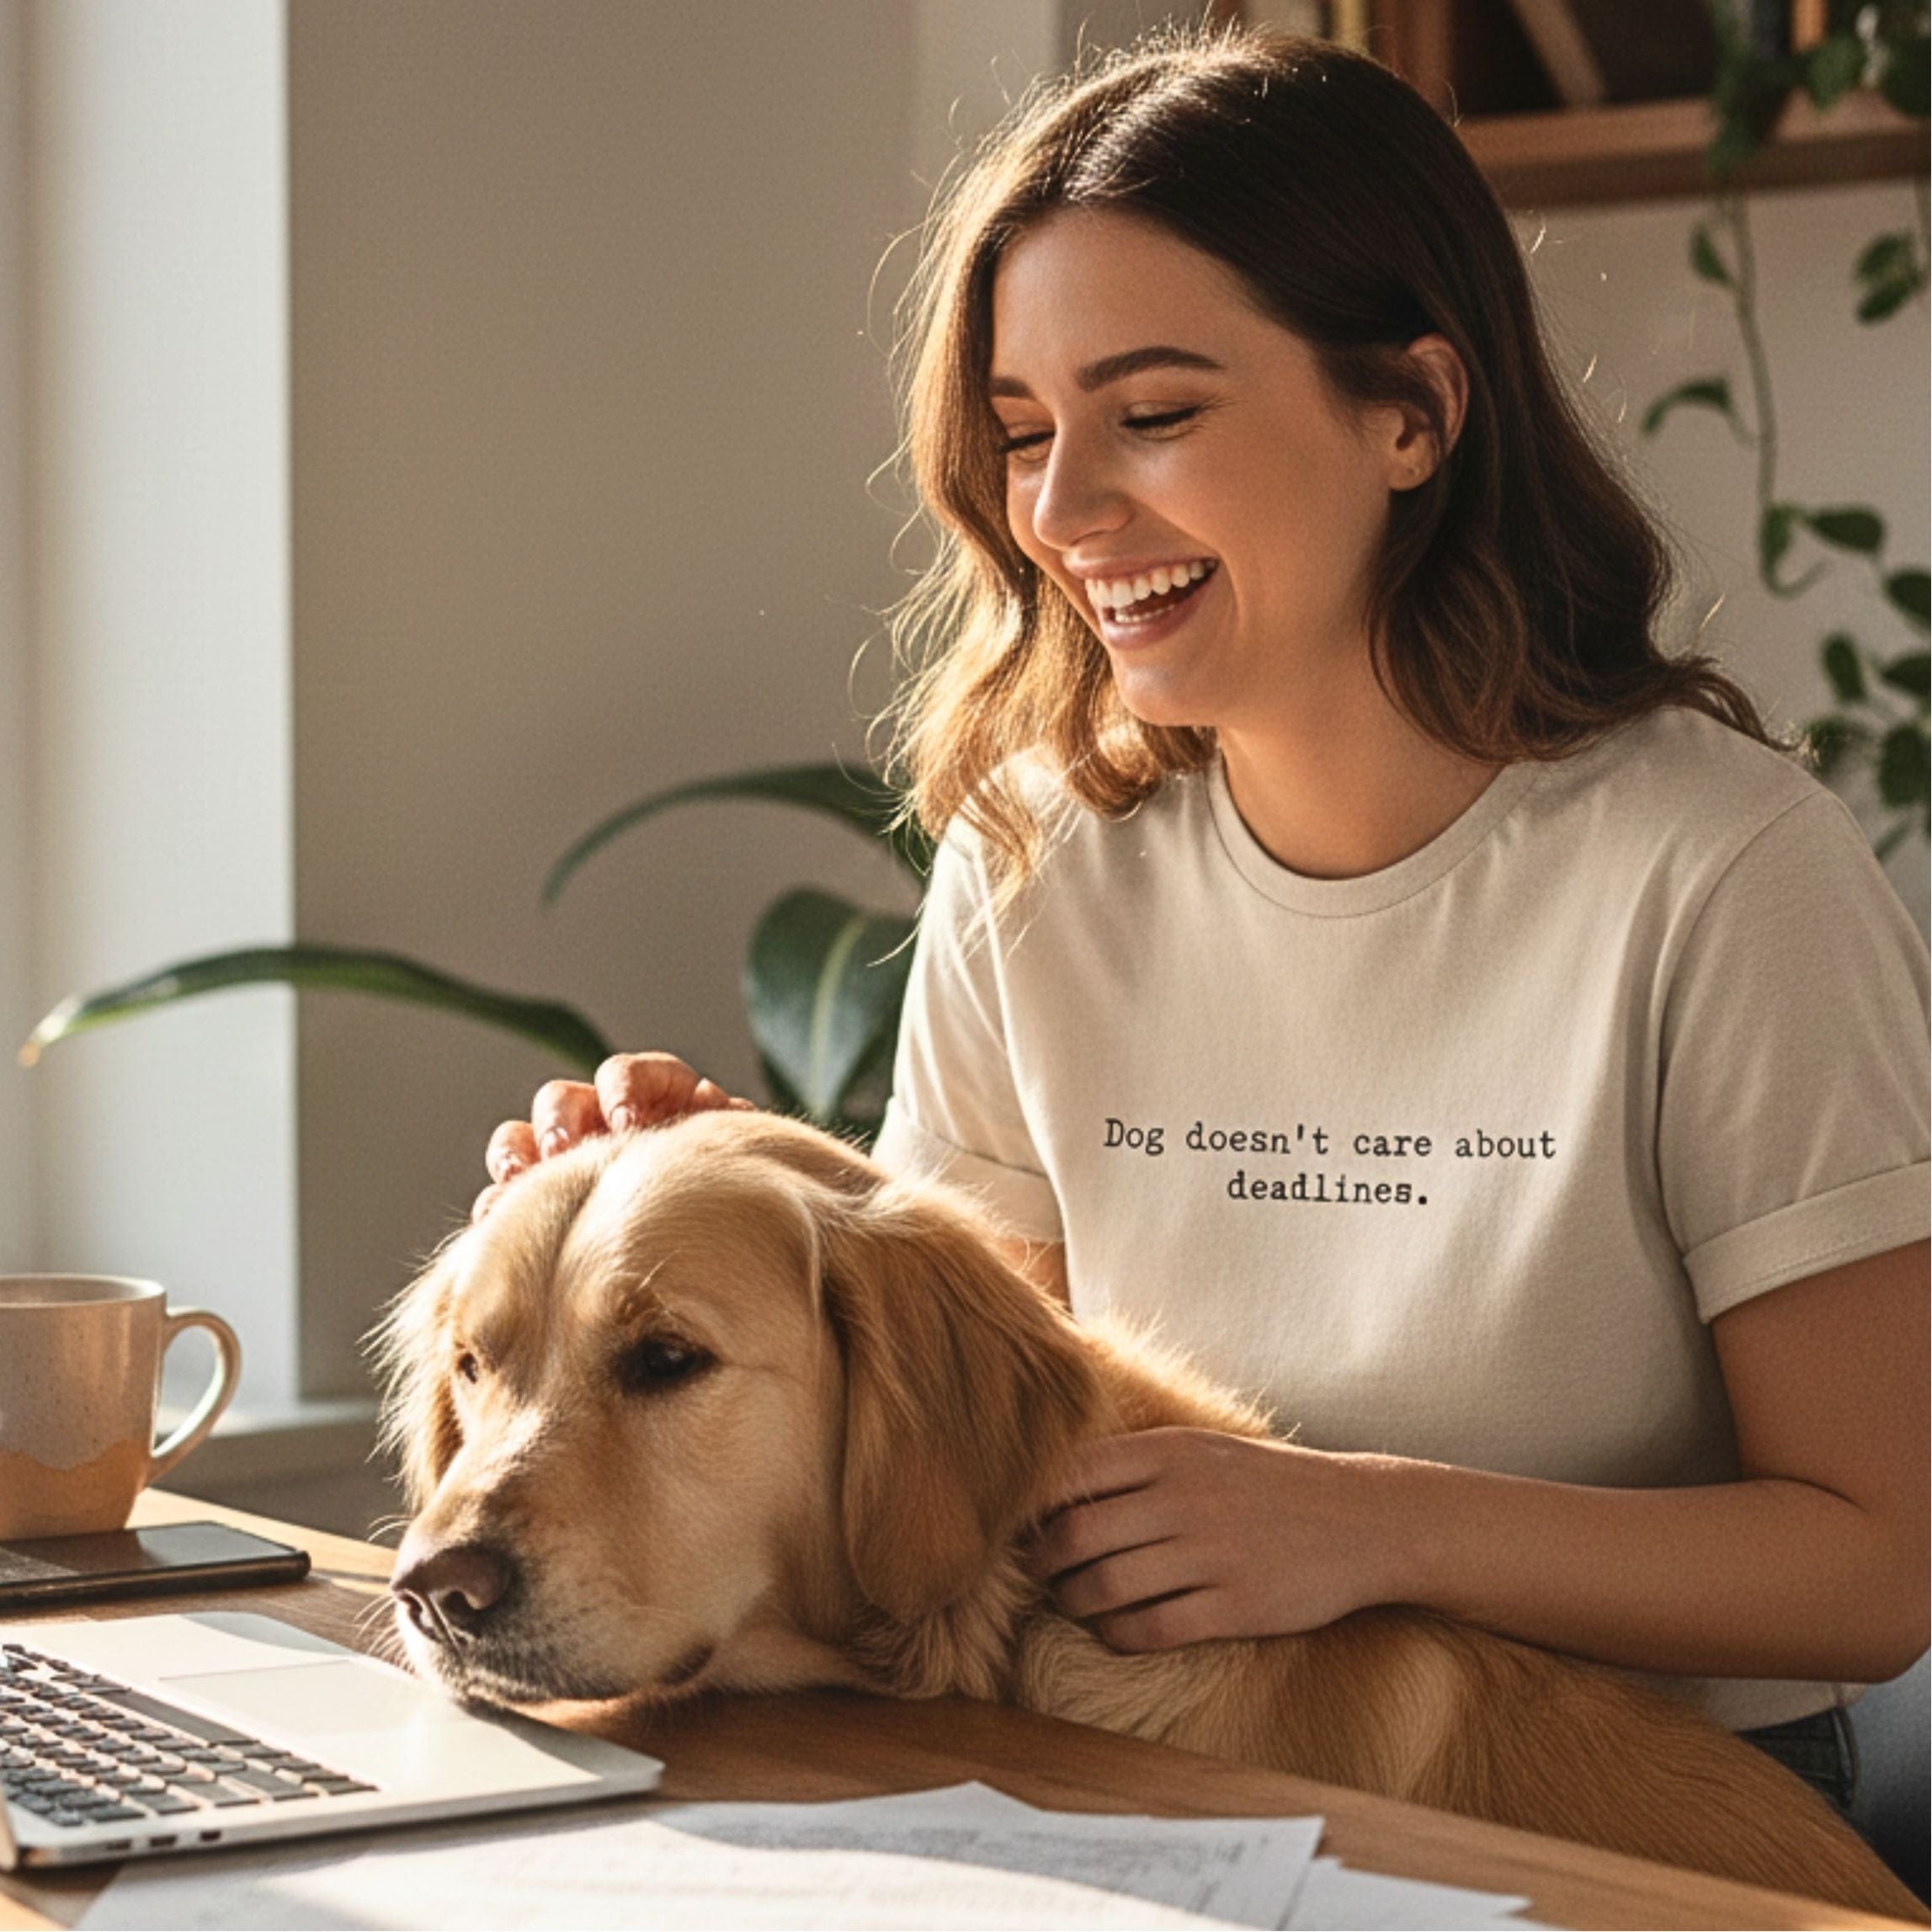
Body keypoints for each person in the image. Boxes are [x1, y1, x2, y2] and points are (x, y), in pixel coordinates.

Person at [474, 24, 1929, 1818]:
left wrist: (1372, 1527)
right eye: (1021, 434)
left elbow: (1873, 1567)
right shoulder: (1030, 857)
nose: (1064, 512)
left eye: (1152, 414)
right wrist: (719, 1211)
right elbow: (963, 1456)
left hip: (1642, 1797)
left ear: (1410, 411)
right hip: (1136, 1745)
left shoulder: (1719, 873)